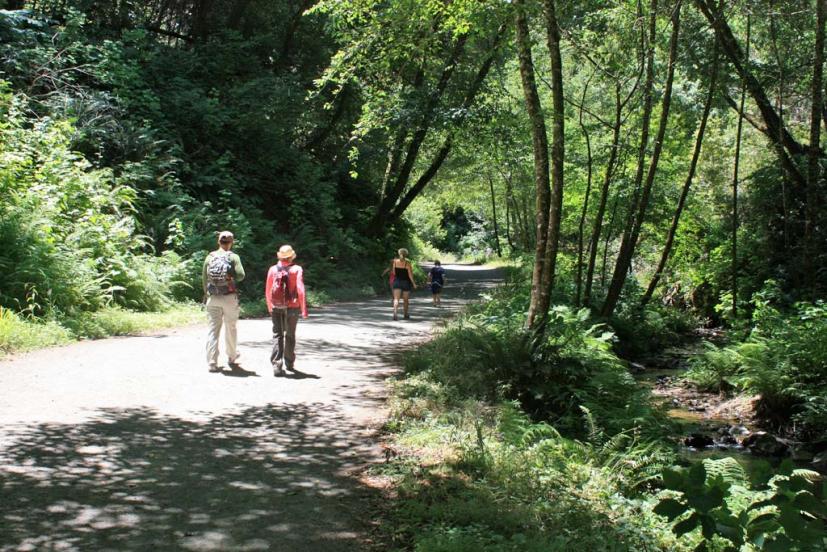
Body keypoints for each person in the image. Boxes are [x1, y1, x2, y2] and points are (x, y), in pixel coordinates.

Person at [203, 230, 245, 373]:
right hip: (228, 297)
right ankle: (232, 356)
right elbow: (241, 275)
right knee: (230, 327)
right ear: (231, 242)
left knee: (213, 330)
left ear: (218, 242)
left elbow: (204, 279)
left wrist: (207, 294)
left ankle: (212, 362)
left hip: (213, 298)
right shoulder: (233, 257)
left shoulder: (210, 257)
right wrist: (230, 277)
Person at [265, 244, 308, 377]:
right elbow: (300, 289)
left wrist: (269, 306)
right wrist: (304, 309)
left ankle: (277, 364)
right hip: (293, 307)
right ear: (291, 257)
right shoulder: (297, 269)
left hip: (277, 306)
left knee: (277, 335)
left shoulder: (273, 269)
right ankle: (289, 363)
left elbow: (268, 289)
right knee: (290, 335)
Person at [388, 248, 416, 320]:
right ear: (406, 254)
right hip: (406, 282)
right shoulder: (407, 263)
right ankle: (405, 314)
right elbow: (410, 275)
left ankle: (395, 314)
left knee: (396, 299)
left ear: (399, 253)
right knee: (405, 300)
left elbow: (394, 273)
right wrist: (414, 283)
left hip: (397, 282)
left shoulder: (395, 262)